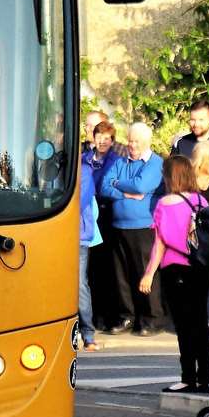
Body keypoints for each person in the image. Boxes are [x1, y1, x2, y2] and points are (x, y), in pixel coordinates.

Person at [140, 154, 209, 392]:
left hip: (176, 267)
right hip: (200, 268)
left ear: (170, 176)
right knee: (201, 322)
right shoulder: (201, 201)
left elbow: (160, 242)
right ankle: (204, 379)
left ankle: (187, 377)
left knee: (184, 324)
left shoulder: (165, 203)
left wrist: (149, 273)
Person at [100, 122, 164, 333]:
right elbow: (104, 186)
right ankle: (126, 316)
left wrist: (118, 183)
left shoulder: (155, 163)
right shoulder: (120, 161)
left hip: (144, 226)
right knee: (121, 275)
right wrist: (123, 191)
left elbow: (141, 186)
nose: (132, 145)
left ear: (147, 142)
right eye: (130, 140)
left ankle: (150, 318)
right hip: (119, 225)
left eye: (136, 141)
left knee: (143, 272)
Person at [85, 120, 125, 330]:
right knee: (90, 269)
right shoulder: (84, 159)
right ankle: (92, 315)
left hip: (107, 215)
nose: (102, 141)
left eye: (107, 138)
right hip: (88, 215)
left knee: (107, 269)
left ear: (112, 141)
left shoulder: (116, 161)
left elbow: (110, 187)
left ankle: (108, 316)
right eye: (99, 136)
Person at [77, 144, 101, 352]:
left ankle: (88, 334)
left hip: (78, 236)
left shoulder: (84, 170)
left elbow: (79, 202)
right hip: (59, 232)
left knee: (79, 284)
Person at [171, 97, 209, 170]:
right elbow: (171, 175)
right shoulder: (180, 144)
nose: (196, 124)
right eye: (193, 120)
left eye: (201, 120)